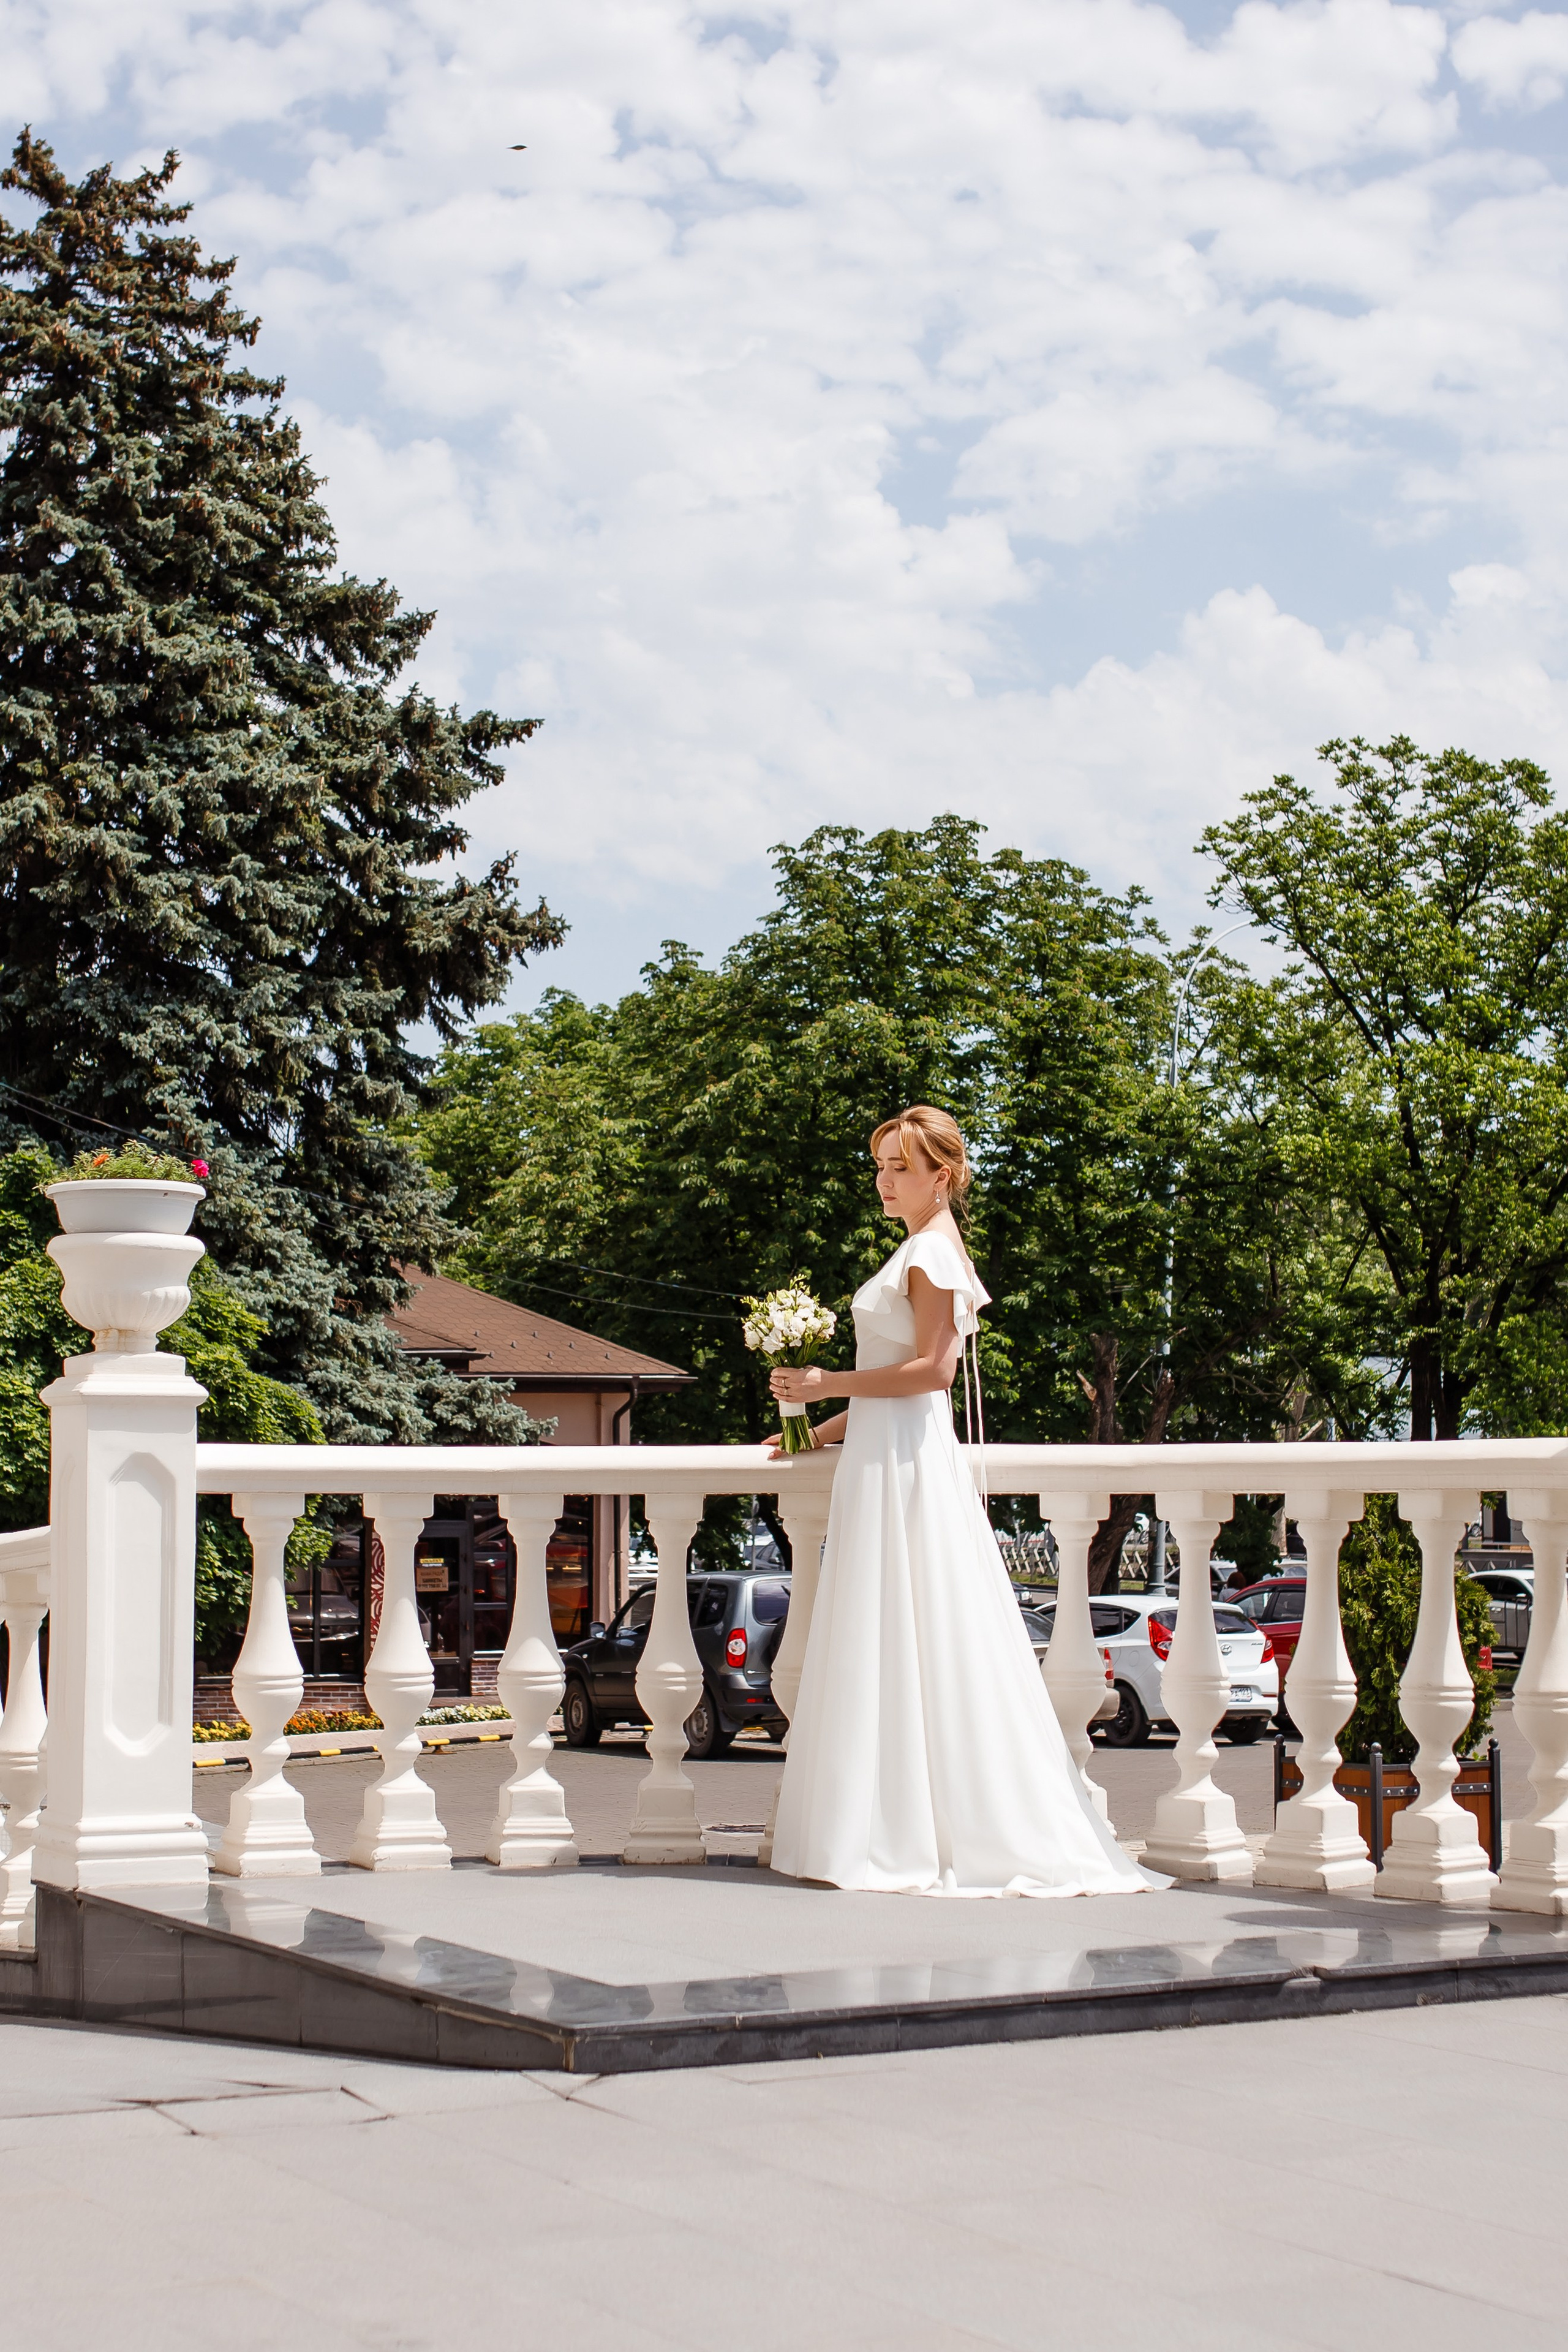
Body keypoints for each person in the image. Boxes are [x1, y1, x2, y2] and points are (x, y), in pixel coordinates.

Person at [766, 1105, 1156, 1898]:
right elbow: (894, 1386)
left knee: (913, 1628)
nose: (885, 1182)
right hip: (887, 1454)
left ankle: (917, 1833)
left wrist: (824, 1383)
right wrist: (814, 1429)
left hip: (906, 1466)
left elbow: (933, 1372)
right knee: (893, 1632)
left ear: (940, 1176)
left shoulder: (932, 1253)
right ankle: (891, 1824)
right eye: (880, 1167)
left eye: (900, 1168)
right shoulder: (922, 1248)